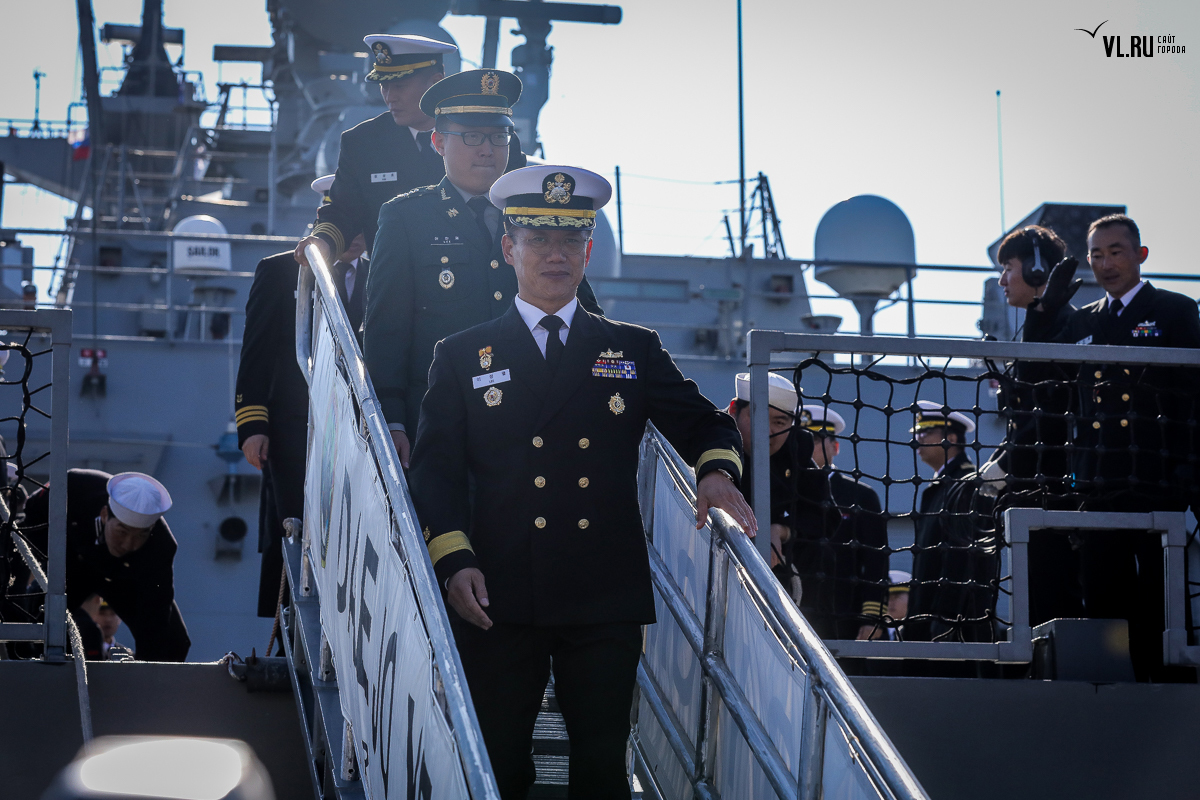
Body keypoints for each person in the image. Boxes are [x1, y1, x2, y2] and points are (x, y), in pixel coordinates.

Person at [409, 165, 754, 800]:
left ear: (588, 253)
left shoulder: (632, 349)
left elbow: (708, 422)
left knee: (600, 764)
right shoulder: (461, 356)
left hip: (602, 590)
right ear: (508, 249)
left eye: (570, 240)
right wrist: (454, 559)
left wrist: (714, 471)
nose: (555, 254)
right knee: (497, 760)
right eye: (538, 240)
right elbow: (435, 471)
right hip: (498, 588)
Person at [364, 69, 602, 467]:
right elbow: (387, 327)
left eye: (498, 136)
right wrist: (391, 418)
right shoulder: (405, 217)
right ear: (439, 142)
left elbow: (583, 311)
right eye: (472, 136)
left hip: (531, 422)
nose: (487, 150)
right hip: (438, 422)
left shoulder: (537, 218)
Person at [1025, 213, 1200, 680]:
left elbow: (1194, 396)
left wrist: (1188, 469)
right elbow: (1038, 378)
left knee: (1163, 602)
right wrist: (1041, 312)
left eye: (1116, 252)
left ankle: (1170, 692)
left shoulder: (1175, 311)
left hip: (1156, 481)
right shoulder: (1081, 320)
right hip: (1099, 486)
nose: (1106, 264)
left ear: (1140, 255)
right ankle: (1117, 694)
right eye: (1097, 255)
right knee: (1105, 599)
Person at [238, 175, 368, 617]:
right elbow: (256, 353)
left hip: (360, 433)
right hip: (295, 430)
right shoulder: (278, 272)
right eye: (344, 224)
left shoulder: (385, 275)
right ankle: (289, 627)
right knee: (293, 524)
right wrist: (253, 426)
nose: (354, 235)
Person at [993, 224, 1084, 626]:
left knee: (1055, 602)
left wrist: (1004, 464)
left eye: (1008, 268)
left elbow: (1054, 412)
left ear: (1035, 270)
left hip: (1057, 495)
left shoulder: (1065, 326)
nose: (1002, 280)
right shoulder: (1039, 323)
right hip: (1036, 492)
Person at [296, 34, 454, 264]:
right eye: (384, 86)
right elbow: (343, 212)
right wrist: (323, 242)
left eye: (399, 86)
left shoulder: (476, 136)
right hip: (392, 281)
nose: (390, 97)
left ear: (436, 82)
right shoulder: (362, 143)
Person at [20, 470, 189, 661]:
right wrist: (50, 560)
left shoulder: (162, 547)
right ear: (104, 514)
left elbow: (157, 612)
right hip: (73, 563)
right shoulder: (75, 486)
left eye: (140, 535)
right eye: (122, 532)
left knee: (174, 641)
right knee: (34, 615)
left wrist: (148, 668)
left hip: (123, 578)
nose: (128, 544)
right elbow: (32, 514)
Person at [727, 374, 837, 610]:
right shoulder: (713, 440)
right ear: (733, 411)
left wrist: (781, 530)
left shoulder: (796, 451)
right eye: (757, 416)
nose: (767, 432)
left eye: (779, 422)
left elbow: (827, 516)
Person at [903, 401, 996, 643]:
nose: (918, 439)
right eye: (917, 433)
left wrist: (946, 619)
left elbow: (963, 559)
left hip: (957, 627)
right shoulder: (942, 486)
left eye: (926, 432)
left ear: (951, 438)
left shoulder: (967, 485)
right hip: (930, 622)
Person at [802, 405, 890, 640]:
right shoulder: (783, 491)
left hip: (845, 618)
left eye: (816, 439)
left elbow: (876, 562)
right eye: (802, 438)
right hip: (794, 611)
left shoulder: (861, 496)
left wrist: (872, 616)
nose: (807, 445)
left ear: (835, 446)